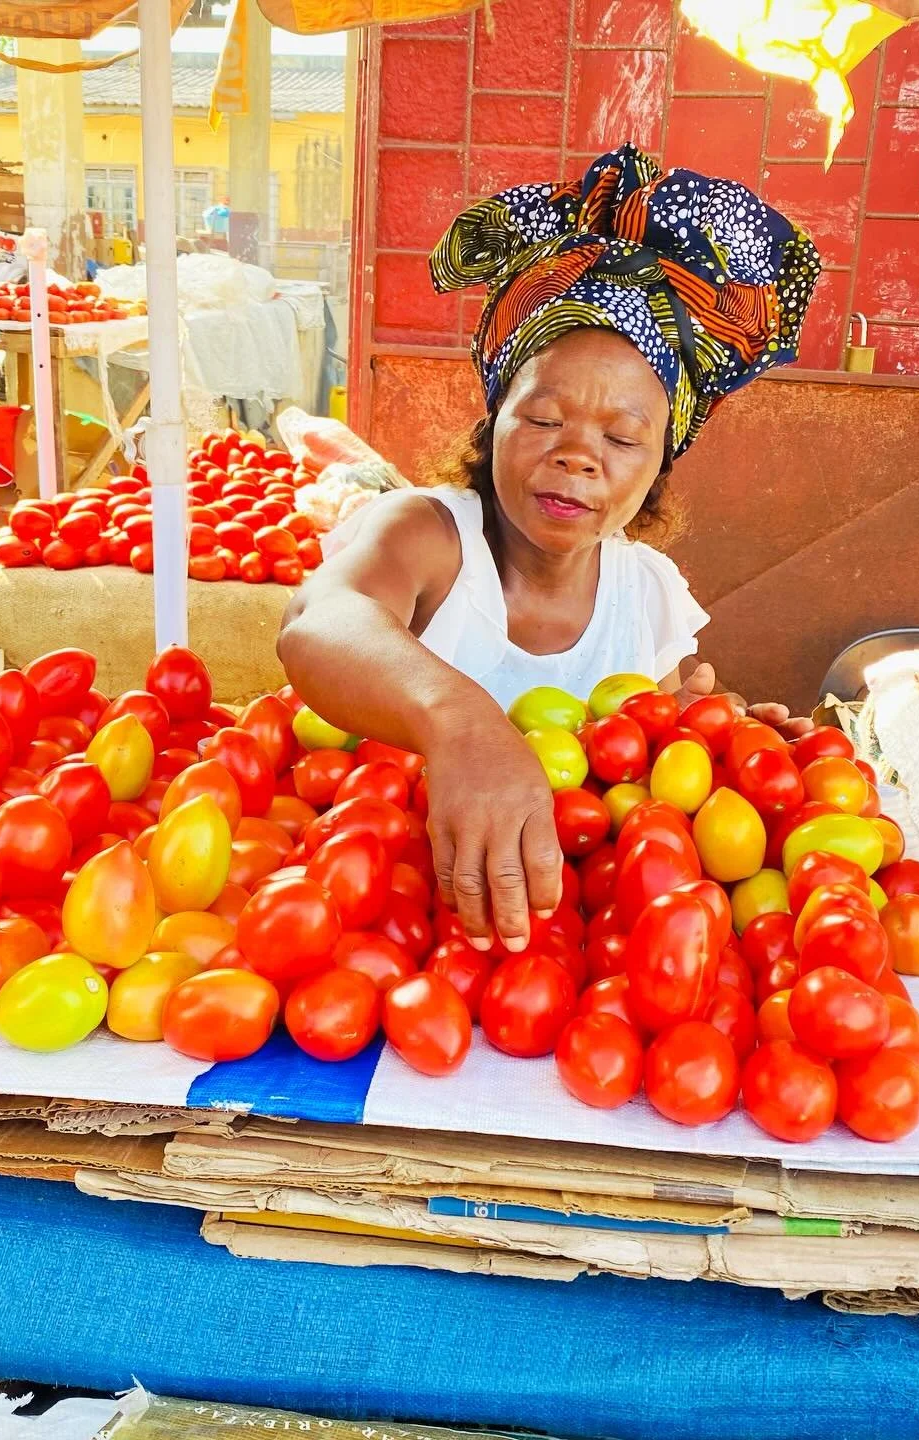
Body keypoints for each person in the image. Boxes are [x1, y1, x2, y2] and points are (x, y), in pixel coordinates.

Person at [279, 144, 820, 954]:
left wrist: (723, 745)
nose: (577, 455)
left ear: (660, 464)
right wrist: (462, 725)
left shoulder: (648, 595)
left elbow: (642, 782)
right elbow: (319, 622)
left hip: (563, 952)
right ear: (492, 420)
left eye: (624, 436)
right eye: (541, 419)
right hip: (383, 926)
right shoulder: (430, 538)